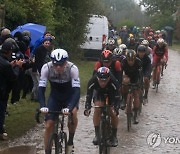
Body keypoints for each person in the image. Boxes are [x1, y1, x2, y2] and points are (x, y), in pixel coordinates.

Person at [38, 49, 80, 154]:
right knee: (48, 125)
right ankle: (47, 151)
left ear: (66, 62)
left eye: (61, 65)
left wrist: (70, 108)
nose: (58, 67)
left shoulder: (73, 68)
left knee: (73, 114)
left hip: (70, 96)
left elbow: (76, 91)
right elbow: (41, 89)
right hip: (55, 97)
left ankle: (70, 141)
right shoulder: (46, 68)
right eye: (55, 64)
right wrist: (43, 105)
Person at [84, 67, 120, 147]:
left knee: (112, 113)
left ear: (109, 78)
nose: (103, 83)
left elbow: (117, 97)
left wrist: (116, 108)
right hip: (99, 93)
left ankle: (114, 136)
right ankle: (97, 134)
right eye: (101, 81)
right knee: (97, 109)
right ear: (97, 78)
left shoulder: (113, 81)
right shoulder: (92, 81)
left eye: (105, 81)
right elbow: (89, 95)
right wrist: (87, 107)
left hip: (111, 94)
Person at [0, 41, 24, 140]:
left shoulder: (4, 62)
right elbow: (13, 76)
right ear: (9, 51)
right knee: (1, 111)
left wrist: (11, 65)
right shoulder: (6, 65)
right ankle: (1, 132)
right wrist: (18, 66)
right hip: (2, 91)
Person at [121, 49, 142, 124]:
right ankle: (124, 99)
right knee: (124, 83)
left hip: (135, 77)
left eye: (132, 60)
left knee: (136, 94)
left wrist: (139, 84)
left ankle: (135, 114)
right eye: (129, 60)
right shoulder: (123, 62)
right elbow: (120, 73)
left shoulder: (138, 62)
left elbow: (140, 75)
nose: (130, 62)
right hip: (127, 76)